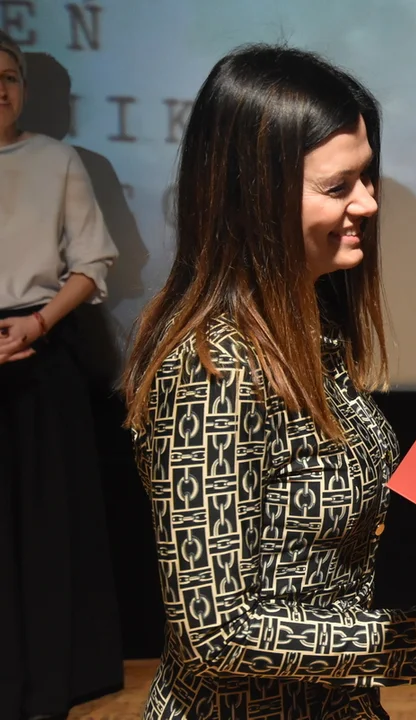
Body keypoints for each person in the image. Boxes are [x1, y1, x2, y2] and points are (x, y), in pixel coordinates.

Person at [122, 45, 416, 720]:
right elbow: (218, 634)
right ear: (253, 196)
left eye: (366, 179)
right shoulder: (211, 371)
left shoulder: (311, 333)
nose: (369, 204)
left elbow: (316, 594)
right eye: (338, 187)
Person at [0, 29, 124, 720]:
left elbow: (93, 263)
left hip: (39, 345)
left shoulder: (57, 159)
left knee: (44, 527)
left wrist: (38, 325)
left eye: (11, 75)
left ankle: (47, 682)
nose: (1, 86)